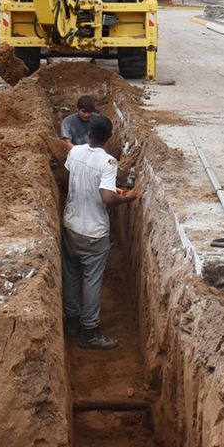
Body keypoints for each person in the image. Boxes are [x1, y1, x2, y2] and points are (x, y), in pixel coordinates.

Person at [62, 115, 137, 349]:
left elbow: (73, 177)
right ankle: (90, 331)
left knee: (72, 275)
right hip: (94, 233)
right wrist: (128, 197)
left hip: (71, 225)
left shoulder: (74, 153)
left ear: (89, 134)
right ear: (110, 138)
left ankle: (72, 321)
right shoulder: (108, 163)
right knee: (92, 281)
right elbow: (106, 197)